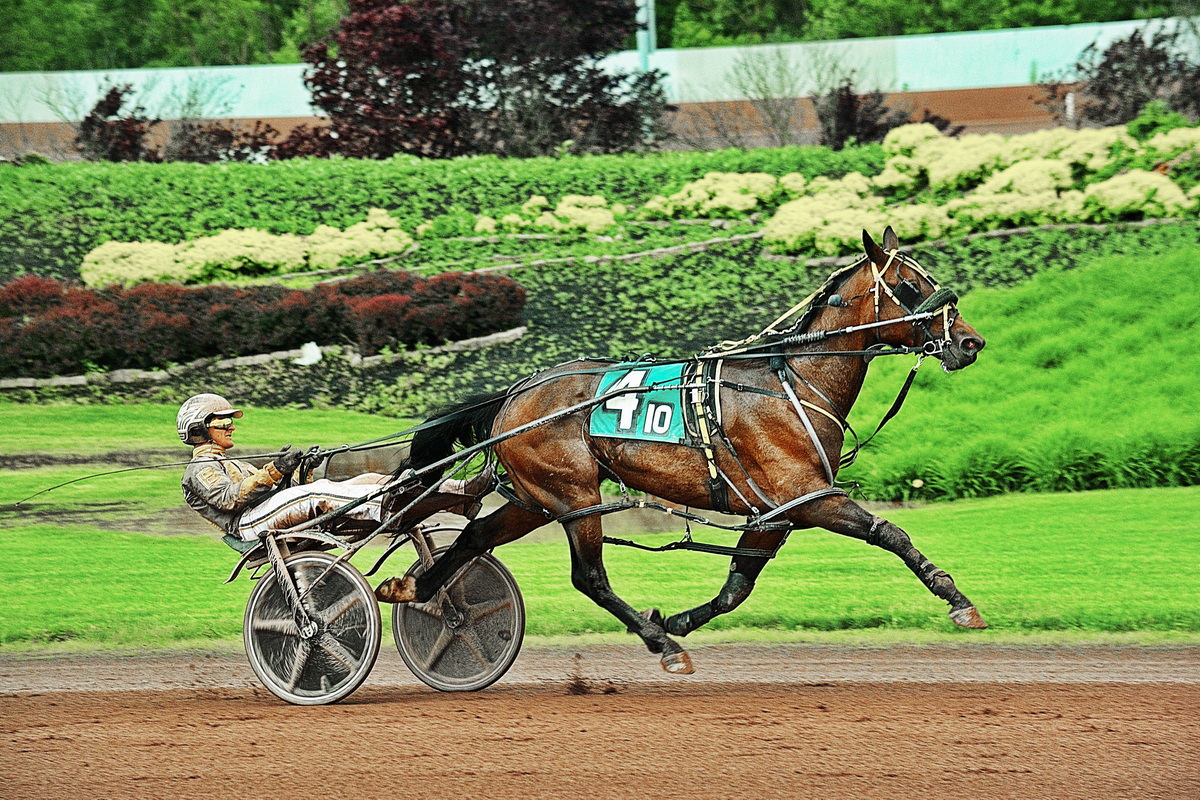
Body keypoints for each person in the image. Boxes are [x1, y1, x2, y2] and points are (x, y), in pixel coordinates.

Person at [177, 393, 492, 555]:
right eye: (221, 421)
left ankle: (459, 494)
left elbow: (275, 490)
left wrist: (302, 469)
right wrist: (276, 469)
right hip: (247, 525)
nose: (231, 425)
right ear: (199, 430)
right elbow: (233, 499)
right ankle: (389, 506)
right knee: (319, 493)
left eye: (230, 420)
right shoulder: (200, 469)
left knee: (364, 480)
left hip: (262, 513)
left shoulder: (232, 463)